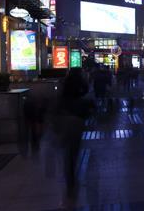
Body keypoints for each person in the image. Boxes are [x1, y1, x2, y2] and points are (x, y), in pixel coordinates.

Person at [53, 68, 92, 201]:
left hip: (64, 118)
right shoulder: (81, 83)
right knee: (74, 150)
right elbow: (86, 94)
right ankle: (71, 176)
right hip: (77, 120)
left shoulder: (64, 83)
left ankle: (69, 176)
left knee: (66, 150)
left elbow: (59, 100)